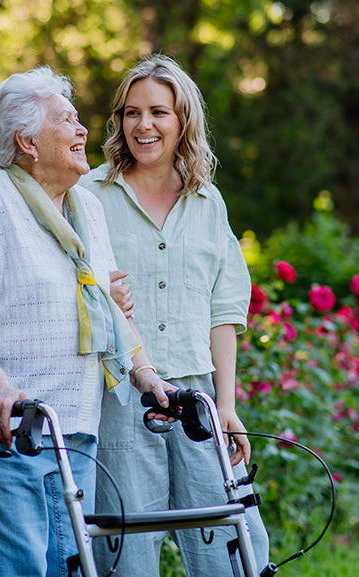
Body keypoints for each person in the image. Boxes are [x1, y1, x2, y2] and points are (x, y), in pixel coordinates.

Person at [0, 65, 172, 577]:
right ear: (27, 141)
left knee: (66, 569)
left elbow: (105, 304)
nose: (84, 130)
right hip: (3, 428)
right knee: (17, 569)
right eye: (67, 120)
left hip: (72, 426)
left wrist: (146, 373)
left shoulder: (85, 207)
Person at [81, 54, 270, 576]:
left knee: (234, 552)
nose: (144, 125)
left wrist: (226, 406)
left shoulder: (208, 202)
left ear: (183, 120)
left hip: (198, 399)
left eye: (159, 112)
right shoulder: (88, 197)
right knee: (125, 555)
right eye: (132, 112)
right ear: (119, 120)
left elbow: (224, 311)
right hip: (118, 396)